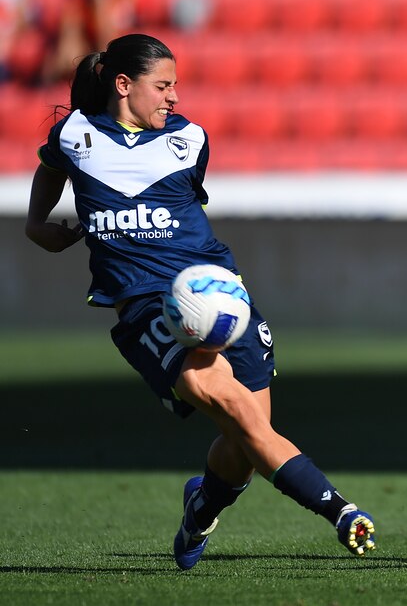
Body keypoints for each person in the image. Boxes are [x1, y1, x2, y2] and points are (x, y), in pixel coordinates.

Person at [24, 33, 376, 570]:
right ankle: (340, 511)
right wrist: (37, 225)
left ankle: (201, 505)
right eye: (162, 86)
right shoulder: (74, 134)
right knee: (239, 414)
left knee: (246, 448)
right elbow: (51, 166)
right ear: (124, 85)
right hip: (147, 305)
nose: (174, 98)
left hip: (220, 297)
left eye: (176, 87)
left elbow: (181, 210)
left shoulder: (189, 140)